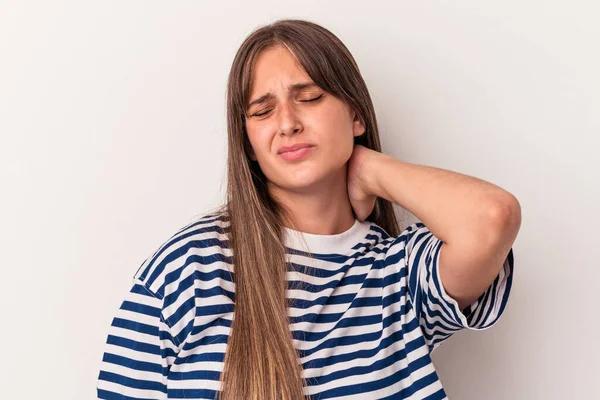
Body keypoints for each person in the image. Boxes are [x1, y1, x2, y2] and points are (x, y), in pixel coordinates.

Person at [97, 18, 520, 400]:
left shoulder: (400, 275)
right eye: (262, 110)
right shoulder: (189, 267)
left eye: (310, 98)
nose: (287, 123)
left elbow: (491, 218)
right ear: (248, 143)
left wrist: (372, 169)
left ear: (356, 114)